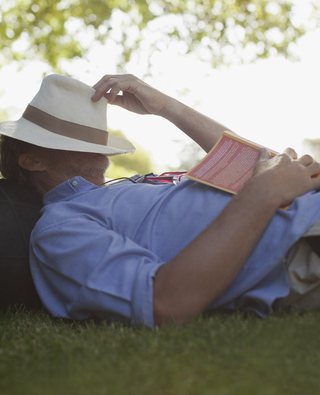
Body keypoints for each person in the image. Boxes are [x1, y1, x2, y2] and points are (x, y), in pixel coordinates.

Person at [1, 73, 320, 328]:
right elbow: (164, 304)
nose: (94, 138)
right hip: (301, 244)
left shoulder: (127, 187)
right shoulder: (59, 227)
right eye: (70, 135)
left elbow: (261, 164)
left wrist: (166, 107)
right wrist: (264, 192)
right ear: (32, 161)